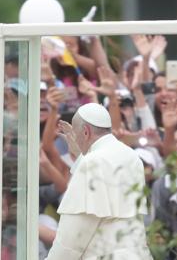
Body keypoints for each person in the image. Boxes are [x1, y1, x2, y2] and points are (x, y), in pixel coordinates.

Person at [47, 103, 151, 259]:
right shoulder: (131, 156)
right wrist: (81, 154)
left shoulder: (91, 162)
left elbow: (74, 233)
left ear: (86, 132)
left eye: (76, 134)